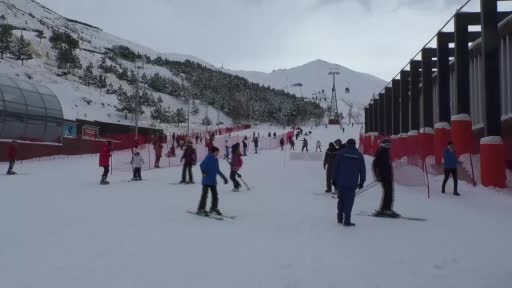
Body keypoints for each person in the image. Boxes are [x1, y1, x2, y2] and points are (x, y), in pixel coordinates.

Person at [332, 138, 366, 226]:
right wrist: (362, 182)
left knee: (341, 200)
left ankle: (339, 217)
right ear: (355, 145)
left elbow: (335, 168)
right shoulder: (359, 155)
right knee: (349, 201)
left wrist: (334, 180)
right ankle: (347, 220)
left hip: (341, 182)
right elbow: (362, 170)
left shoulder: (340, 153)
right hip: (352, 183)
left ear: (347, 144)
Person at [197, 146, 229, 216]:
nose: (217, 153)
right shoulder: (208, 158)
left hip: (213, 181)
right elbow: (201, 165)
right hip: (206, 181)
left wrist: (224, 177)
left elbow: (217, 170)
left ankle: (214, 208)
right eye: (217, 152)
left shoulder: (216, 160)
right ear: (213, 152)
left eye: (218, 152)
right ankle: (201, 209)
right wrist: (204, 172)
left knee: (215, 195)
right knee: (204, 195)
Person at [372, 139, 399, 217]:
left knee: (388, 193)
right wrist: (378, 176)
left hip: (387, 176)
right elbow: (375, 165)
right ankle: (386, 210)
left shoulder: (385, 152)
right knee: (388, 193)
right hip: (384, 177)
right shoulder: (381, 152)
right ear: (383, 145)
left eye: (390, 145)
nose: (389, 147)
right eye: (387, 145)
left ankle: (385, 209)